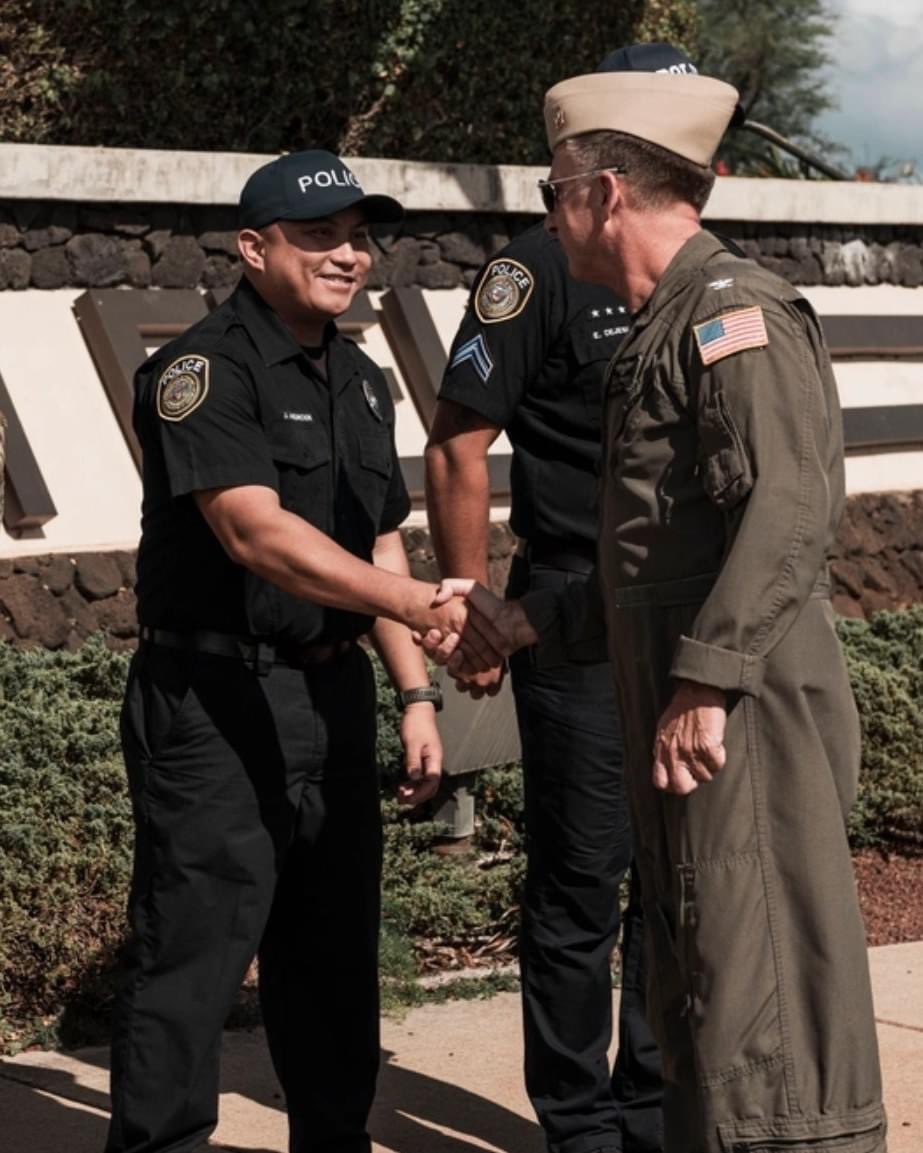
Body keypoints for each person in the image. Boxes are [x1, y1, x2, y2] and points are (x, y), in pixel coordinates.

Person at [423, 66, 888, 1153]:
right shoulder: (661, 326)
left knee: (761, 997)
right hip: (692, 712)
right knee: (701, 996)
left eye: (555, 190)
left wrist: (705, 678)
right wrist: (539, 620)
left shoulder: (733, 317)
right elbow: (661, 559)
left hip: (742, 723)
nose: (551, 213)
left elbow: (786, 511)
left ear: (604, 192)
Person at [106, 149, 500, 1153]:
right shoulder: (202, 369)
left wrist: (414, 694)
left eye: (358, 238)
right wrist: (421, 601)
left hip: (330, 698)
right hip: (212, 701)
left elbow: (369, 537)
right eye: (318, 236)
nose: (346, 256)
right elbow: (257, 535)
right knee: (191, 961)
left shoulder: (361, 380)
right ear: (254, 246)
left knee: (331, 967)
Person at [424, 45, 708, 1153]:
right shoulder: (536, 266)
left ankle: (648, 1102)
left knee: (673, 880)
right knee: (583, 883)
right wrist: (469, 604)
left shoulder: (703, 269)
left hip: (679, 616)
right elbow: (458, 442)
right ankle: (579, 1124)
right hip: (569, 616)